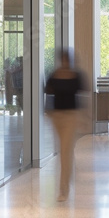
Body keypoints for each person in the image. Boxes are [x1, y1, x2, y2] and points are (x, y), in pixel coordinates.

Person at [44, 49, 86, 202]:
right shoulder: (54, 75)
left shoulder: (76, 76)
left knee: (65, 151)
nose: (65, 62)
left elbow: (82, 97)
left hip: (71, 117)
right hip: (57, 117)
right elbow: (48, 94)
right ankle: (70, 171)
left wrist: (83, 118)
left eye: (67, 59)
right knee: (65, 150)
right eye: (63, 59)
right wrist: (48, 112)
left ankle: (64, 190)